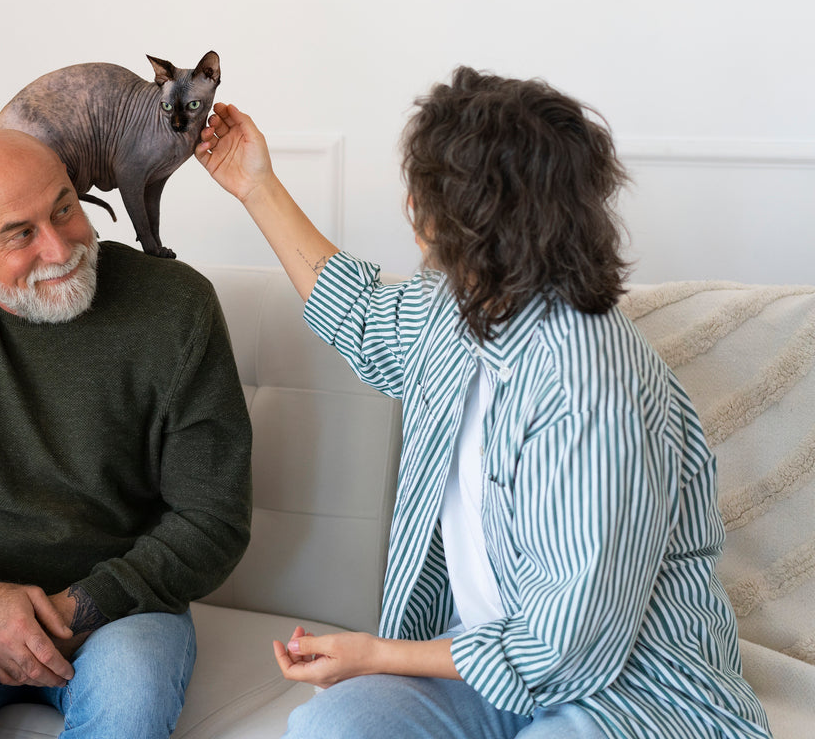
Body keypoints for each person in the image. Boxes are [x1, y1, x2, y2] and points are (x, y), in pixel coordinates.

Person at [195, 68, 771, 738]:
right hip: (484, 672)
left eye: (424, 191)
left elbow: (564, 647)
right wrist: (256, 185)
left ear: (466, 221)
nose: (409, 206)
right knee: (328, 729)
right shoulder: (461, 305)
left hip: (627, 690)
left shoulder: (585, 385)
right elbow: (365, 319)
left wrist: (377, 654)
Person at [0, 128, 253, 739]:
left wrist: (70, 612)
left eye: (65, 209)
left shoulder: (178, 307)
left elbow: (213, 520)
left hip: (120, 609)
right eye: (20, 233)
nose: (60, 249)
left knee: (129, 705)